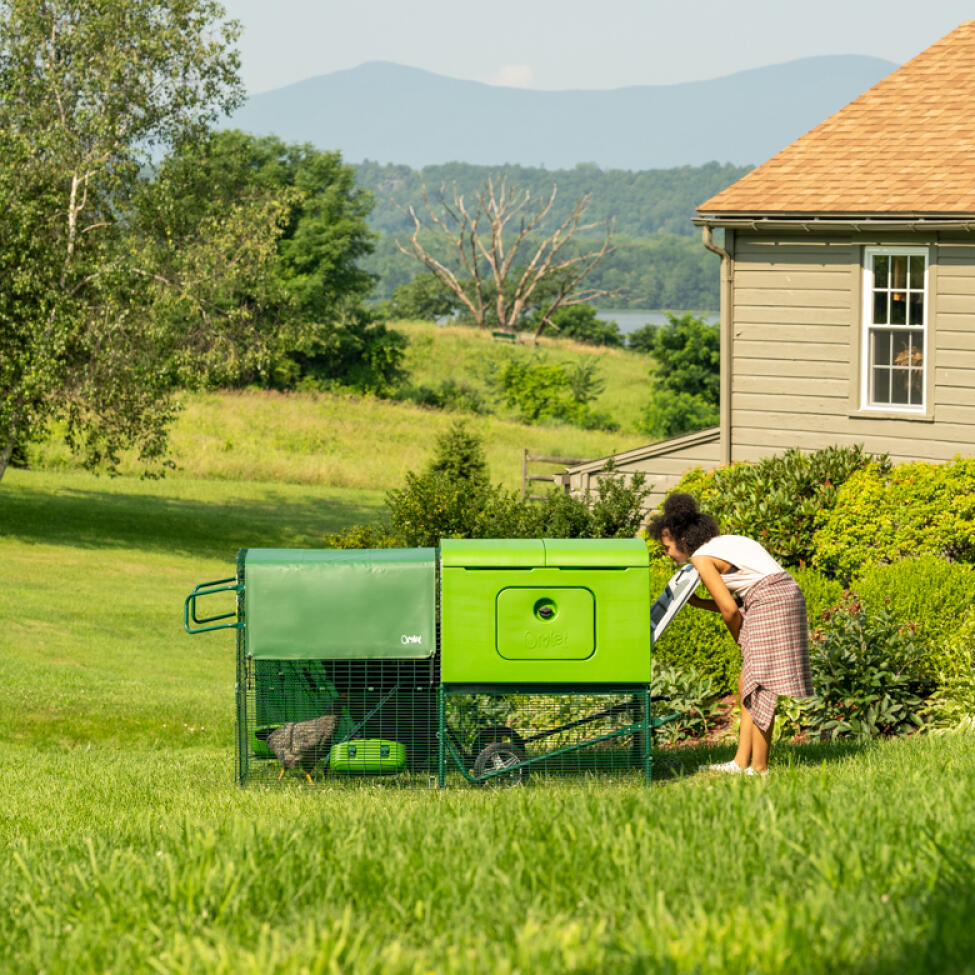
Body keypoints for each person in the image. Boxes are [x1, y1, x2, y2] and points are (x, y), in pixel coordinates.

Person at [648, 493, 812, 775]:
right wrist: (699, 603)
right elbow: (739, 600)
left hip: (772, 602)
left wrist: (740, 639)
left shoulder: (701, 558)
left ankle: (759, 769)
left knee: (758, 686)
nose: (667, 554)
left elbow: (730, 610)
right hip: (780, 595)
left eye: (667, 547)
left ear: (682, 540)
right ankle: (740, 762)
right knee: (745, 681)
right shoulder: (723, 543)